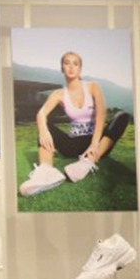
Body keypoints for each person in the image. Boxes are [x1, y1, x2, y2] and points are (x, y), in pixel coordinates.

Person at [20, 50, 130, 197]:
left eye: (75, 64)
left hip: (97, 145)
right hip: (72, 144)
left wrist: (94, 144)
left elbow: (101, 114)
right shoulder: (58, 94)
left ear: (80, 69)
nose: (71, 67)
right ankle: (46, 172)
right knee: (45, 126)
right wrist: (44, 130)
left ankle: (87, 162)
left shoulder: (93, 87)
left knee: (122, 116)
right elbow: (41, 114)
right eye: (67, 63)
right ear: (62, 68)